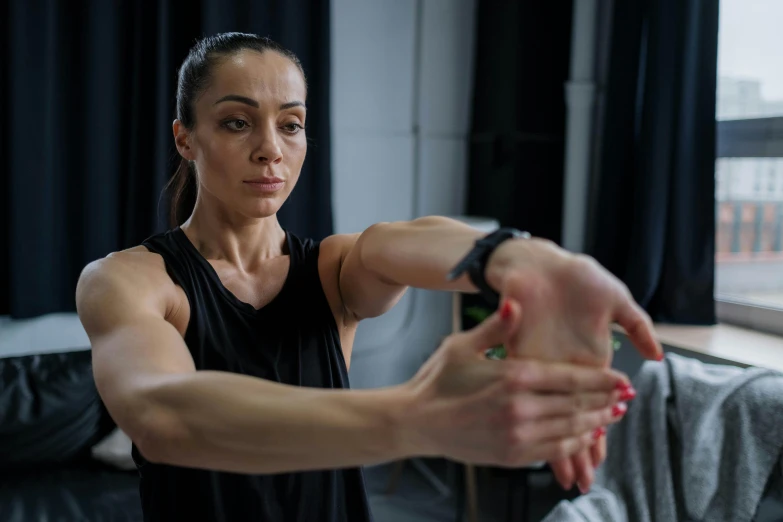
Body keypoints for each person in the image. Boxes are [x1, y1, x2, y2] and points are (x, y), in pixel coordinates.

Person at [75, 32, 661, 522]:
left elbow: (396, 242)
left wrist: (527, 261)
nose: (270, 149)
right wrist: (419, 417)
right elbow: (164, 416)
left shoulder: (332, 271)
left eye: (292, 124)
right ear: (186, 137)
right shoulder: (128, 280)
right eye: (236, 122)